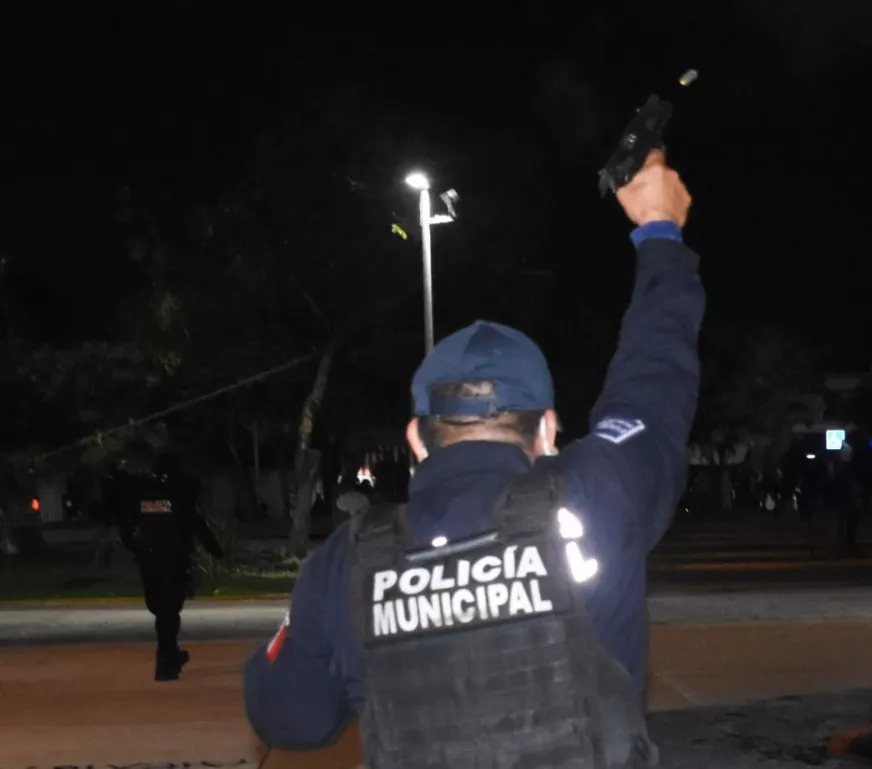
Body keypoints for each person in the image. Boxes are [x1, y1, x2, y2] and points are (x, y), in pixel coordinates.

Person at [243, 150, 701, 766]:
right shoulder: (598, 497)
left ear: (415, 439)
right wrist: (659, 232)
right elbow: (655, 379)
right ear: (547, 430)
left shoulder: (347, 564)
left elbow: (286, 716)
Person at [119, 454, 224, 681]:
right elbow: (197, 526)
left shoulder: (142, 496)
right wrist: (217, 553)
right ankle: (166, 660)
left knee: (161, 612)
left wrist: (136, 549)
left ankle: (170, 654)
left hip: (149, 562)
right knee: (169, 612)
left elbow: (125, 526)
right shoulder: (178, 496)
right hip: (174, 562)